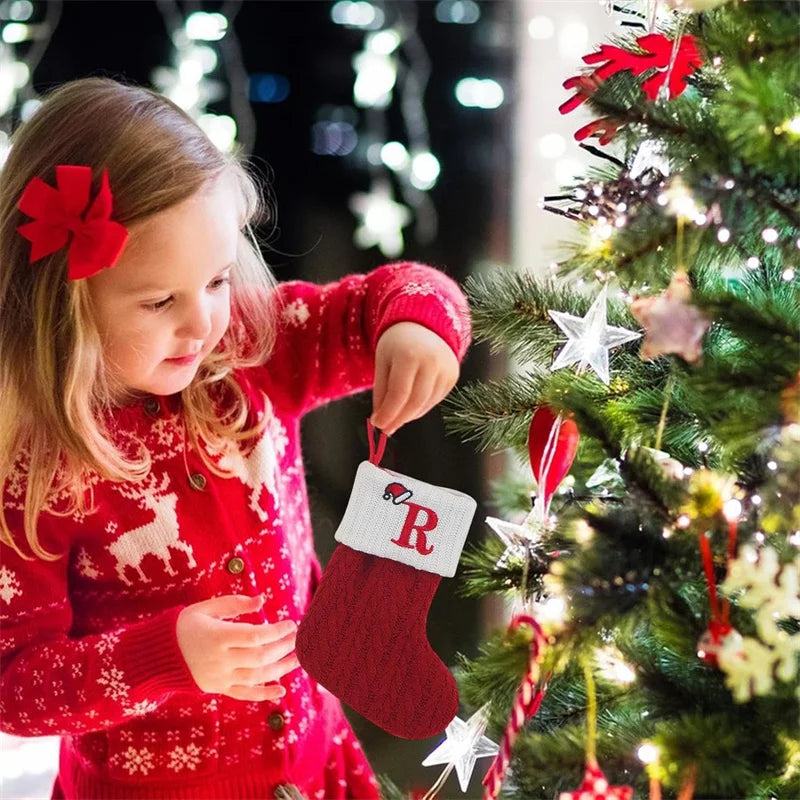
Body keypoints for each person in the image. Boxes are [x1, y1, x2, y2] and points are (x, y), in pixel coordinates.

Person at [0, 77, 472, 800]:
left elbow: (390, 293)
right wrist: (166, 657)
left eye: (218, 280)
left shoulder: (248, 352)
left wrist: (417, 326)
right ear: (62, 301)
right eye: (160, 301)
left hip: (314, 762)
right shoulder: (32, 466)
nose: (202, 325)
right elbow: (15, 687)